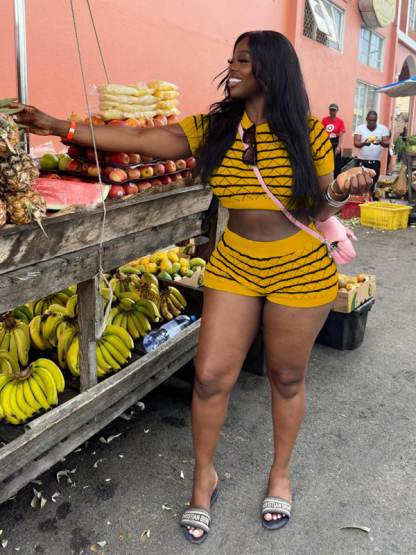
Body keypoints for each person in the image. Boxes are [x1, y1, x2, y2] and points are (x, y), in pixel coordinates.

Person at [9, 30, 374, 545]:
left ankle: (281, 473)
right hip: (235, 263)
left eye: (243, 60)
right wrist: (58, 126)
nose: (232, 68)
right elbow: (139, 141)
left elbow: (317, 209)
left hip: (300, 266)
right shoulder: (214, 129)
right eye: (232, 60)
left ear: (271, 69)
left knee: (287, 377)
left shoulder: (308, 133)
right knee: (208, 378)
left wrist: (338, 190)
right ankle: (205, 479)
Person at [353, 111, 389, 193]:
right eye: (370, 120)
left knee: (372, 184)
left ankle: (369, 198)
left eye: (374, 120)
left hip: (375, 161)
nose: (372, 122)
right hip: (362, 161)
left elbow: (387, 143)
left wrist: (380, 142)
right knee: (361, 183)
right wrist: (364, 144)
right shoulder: (360, 128)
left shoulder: (383, 129)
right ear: (366, 119)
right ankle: (361, 198)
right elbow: (356, 143)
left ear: (377, 119)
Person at [322, 103, 346, 178]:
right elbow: (322, 132)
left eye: (333, 110)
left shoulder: (340, 121)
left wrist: (338, 147)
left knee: (336, 164)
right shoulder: (324, 120)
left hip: (335, 143)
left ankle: (335, 179)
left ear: (337, 111)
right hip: (326, 143)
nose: (332, 111)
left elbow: (341, 136)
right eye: (331, 110)